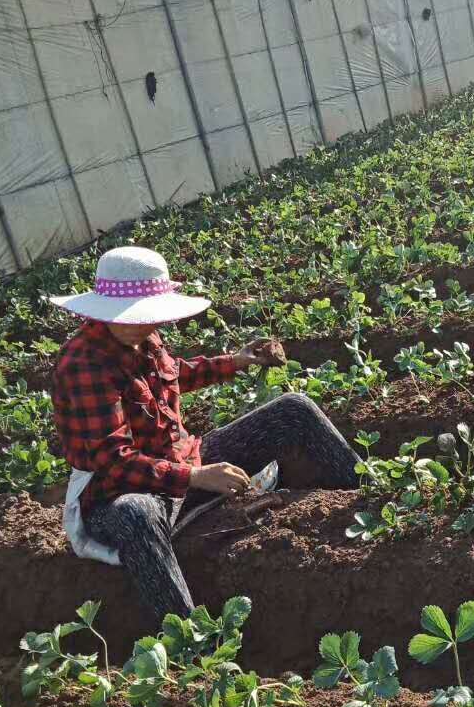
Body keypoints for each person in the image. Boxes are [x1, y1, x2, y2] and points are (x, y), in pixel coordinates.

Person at [49, 245, 359, 623]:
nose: (153, 324)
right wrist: (196, 477)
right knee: (137, 514)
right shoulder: (83, 366)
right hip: (118, 493)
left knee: (293, 410)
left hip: (180, 463)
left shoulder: (141, 337)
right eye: (143, 315)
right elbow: (113, 462)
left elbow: (174, 373)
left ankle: (375, 495)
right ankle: (188, 639)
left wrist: (237, 361)